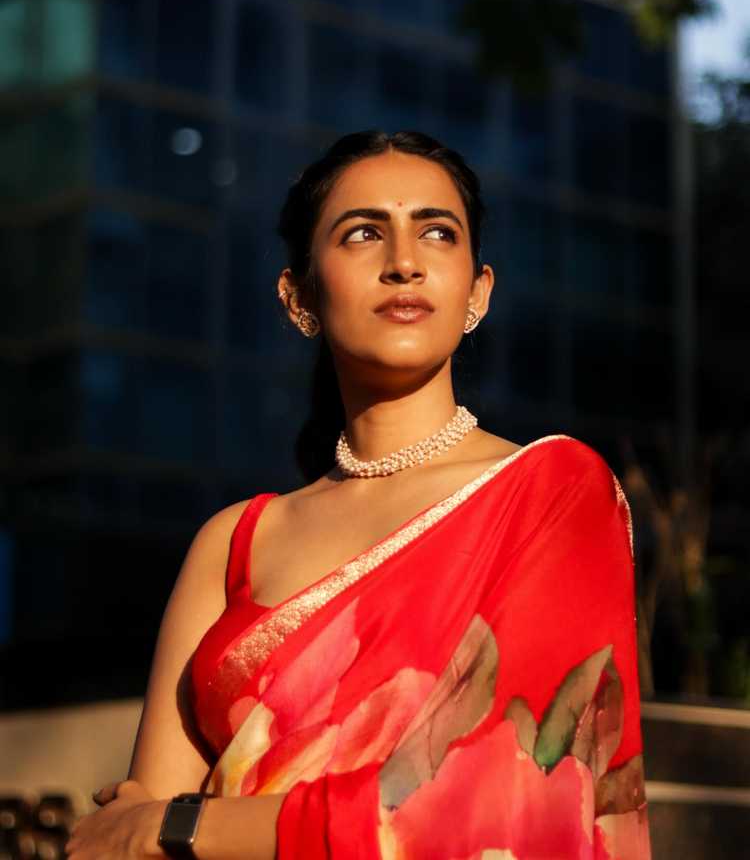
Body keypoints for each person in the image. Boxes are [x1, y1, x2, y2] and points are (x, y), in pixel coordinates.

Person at [67, 130, 651, 859]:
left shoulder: (552, 491)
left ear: (478, 291)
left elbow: (502, 803)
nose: (404, 262)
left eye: (437, 232)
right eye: (363, 233)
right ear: (299, 297)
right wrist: (152, 827)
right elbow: (122, 839)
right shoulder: (235, 541)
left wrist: (182, 826)